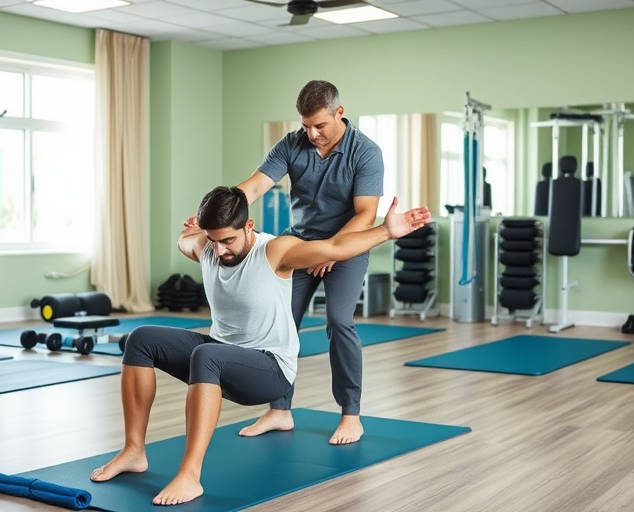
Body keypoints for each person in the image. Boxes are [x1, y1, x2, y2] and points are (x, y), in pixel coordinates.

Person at [89, 186, 429, 506]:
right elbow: (185, 240)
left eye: (228, 240)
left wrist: (386, 231)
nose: (220, 250)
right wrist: (194, 231)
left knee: (206, 355)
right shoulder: (206, 247)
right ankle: (134, 451)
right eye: (213, 240)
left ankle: (190, 475)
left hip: (269, 370)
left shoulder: (276, 251)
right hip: (221, 355)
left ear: (248, 225)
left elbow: (336, 249)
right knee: (141, 338)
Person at [235, 79, 383, 445]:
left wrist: (331, 250)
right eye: (306, 126)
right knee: (280, 322)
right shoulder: (292, 143)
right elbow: (254, 186)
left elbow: (366, 214)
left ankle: (351, 415)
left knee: (339, 320)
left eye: (320, 125)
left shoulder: (365, 152)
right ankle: (279, 409)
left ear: (339, 113)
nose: (312, 133)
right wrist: (218, 210)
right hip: (300, 244)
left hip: (347, 245)